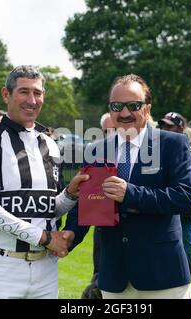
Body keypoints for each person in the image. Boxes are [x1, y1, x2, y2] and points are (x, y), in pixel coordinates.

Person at [64, 74, 191, 299]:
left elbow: (185, 197)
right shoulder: (96, 150)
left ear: (147, 108)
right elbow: (88, 202)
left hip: (163, 275)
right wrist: (71, 234)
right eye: (117, 106)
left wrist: (130, 194)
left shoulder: (173, 144)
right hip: (114, 277)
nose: (124, 113)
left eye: (133, 105)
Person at [0, 65, 89, 299]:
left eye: (38, 93)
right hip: (1, 268)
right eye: (24, 91)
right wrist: (44, 238)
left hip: (46, 269)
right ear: (6, 94)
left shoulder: (49, 144)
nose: (32, 100)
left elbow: (49, 210)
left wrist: (70, 195)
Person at [158, 111, 191, 299]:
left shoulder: (189, 146)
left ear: (181, 128)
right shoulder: (159, 146)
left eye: (169, 126)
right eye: (163, 125)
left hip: (183, 210)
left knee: (190, 250)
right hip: (164, 207)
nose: (165, 129)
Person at [81, 112, 115, 299]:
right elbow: (86, 202)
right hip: (103, 231)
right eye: (106, 131)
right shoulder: (95, 155)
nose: (111, 135)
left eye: (115, 130)